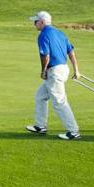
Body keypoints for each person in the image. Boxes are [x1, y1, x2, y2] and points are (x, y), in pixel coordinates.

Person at [24, 10, 81, 140]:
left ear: (42, 22)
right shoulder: (60, 33)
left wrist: (43, 70)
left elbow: (45, 55)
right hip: (63, 69)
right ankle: (40, 126)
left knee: (59, 102)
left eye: (36, 21)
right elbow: (71, 52)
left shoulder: (43, 35)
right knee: (40, 96)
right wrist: (76, 70)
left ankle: (73, 131)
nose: (34, 24)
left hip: (54, 71)